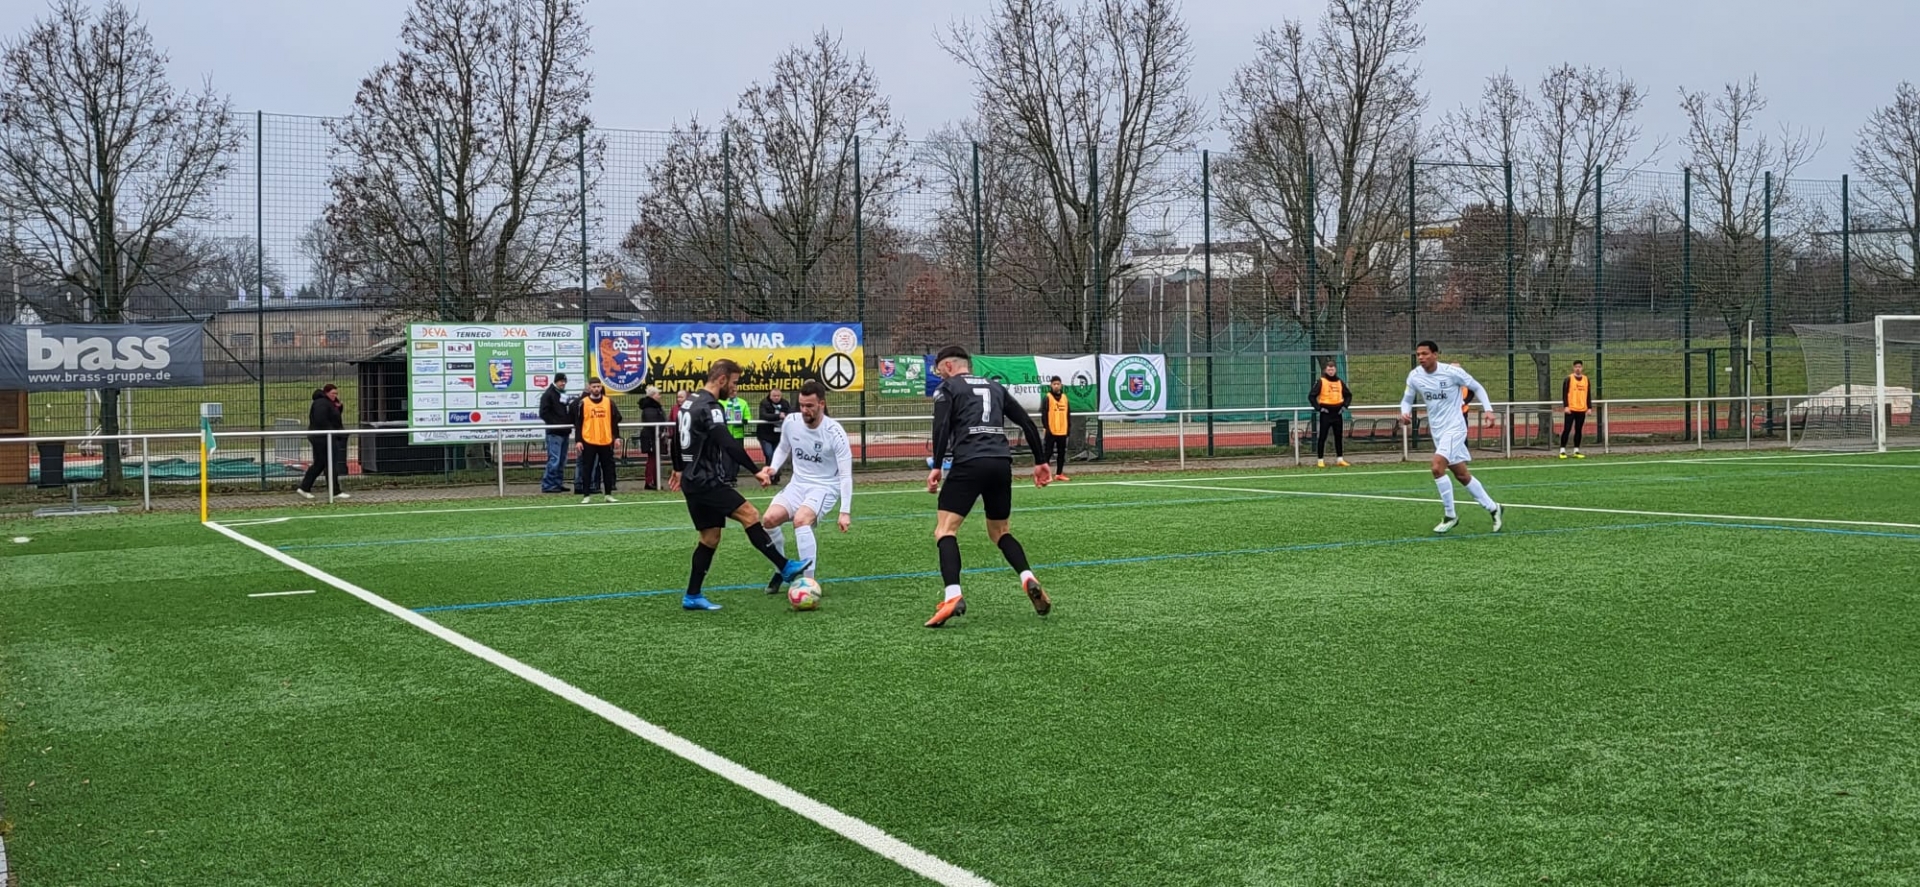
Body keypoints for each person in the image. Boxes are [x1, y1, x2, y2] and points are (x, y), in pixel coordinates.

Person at [923, 345, 1053, 629]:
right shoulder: (995, 387)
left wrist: (937, 465)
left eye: (939, 370)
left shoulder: (948, 388)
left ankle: (952, 595)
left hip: (969, 462)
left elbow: (941, 426)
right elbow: (1027, 423)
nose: (939, 375)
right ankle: (1027, 576)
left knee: (945, 530)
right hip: (1000, 463)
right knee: (1000, 532)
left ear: (948, 366)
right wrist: (1041, 461)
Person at [669, 360, 811, 611]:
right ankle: (785, 566)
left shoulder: (689, 403)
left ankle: (692, 595)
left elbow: (675, 439)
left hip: (692, 480)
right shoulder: (711, 407)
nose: (736, 388)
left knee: (710, 537)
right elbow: (727, 442)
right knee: (750, 514)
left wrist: (679, 468)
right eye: (734, 382)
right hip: (707, 480)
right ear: (722, 380)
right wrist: (755, 470)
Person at [756, 380, 853, 593]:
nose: (804, 410)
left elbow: (846, 474)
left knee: (801, 520)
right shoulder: (791, 422)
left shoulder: (834, 432)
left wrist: (845, 511)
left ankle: (809, 583)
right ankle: (782, 569)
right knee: (769, 520)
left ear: (821, 404)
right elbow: (783, 447)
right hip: (798, 484)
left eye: (809, 406)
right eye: (801, 405)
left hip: (824, 487)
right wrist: (773, 468)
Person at [1399, 341, 1503, 535]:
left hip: (1455, 428)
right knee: (1462, 475)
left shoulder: (1452, 372)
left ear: (1435, 354)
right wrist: (1404, 412)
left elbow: (1478, 387)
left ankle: (1450, 515)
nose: (1421, 357)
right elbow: (1407, 399)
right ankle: (1494, 507)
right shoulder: (1414, 376)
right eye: (1418, 354)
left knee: (1437, 467)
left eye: (1425, 353)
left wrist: (1488, 410)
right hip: (1438, 431)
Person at [570, 377, 622, 504]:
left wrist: (616, 437)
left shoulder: (608, 402)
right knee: (587, 468)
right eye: (594, 387)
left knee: (607, 468)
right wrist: (578, 440)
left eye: (598, 386)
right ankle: (586, 495)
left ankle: (608, 494)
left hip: (605, 440)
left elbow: (614, 421)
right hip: (589, 440)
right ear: (589, 388)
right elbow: (578, 423)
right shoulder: (583, 403)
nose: (596, 389)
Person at [296, 383, 349, 500]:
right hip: (322, 438)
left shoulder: (329, 403)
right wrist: (332, 432)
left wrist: (339, 408)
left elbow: (333, 418)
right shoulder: (321, 403)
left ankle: (305, 487)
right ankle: (333, 491)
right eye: (333, 393)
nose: (335, 395)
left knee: (321, 463)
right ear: (326, 393)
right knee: (328, 463)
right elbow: (321, 420)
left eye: (336, 393)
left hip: (325, 437)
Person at [1308, 360, 1352, 468]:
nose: (1331, 371)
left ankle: (1340, 459)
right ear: (1325, 370)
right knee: (1322, 437)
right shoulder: (1321, 381)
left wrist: (1344, 406)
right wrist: (1319, 408)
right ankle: (1320, 460)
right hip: (1326, 413)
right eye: (1329, 369)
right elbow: (1311, 396)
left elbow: (1348, 395)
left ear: (1335, 370)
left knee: (1338, 436)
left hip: (1337, 413)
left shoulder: (1339, 382)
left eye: (1332, 369)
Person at [538, 373, 572, 493]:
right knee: (554, 459)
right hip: (554, 432)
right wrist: (556, 423)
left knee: (562, 460)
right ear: (556, 381)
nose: (563, 383)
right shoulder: (548, 394)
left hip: (564, 431)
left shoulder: (562, 394)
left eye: (564, 381)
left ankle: (557, 483)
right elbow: (543, 413)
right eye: (561, 381)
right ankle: (548, 485)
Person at [756, 388, 790, 483]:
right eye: (774, 396)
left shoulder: (785, 403)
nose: (776, 398)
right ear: (770, 396)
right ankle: (769, 475)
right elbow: (764, 415)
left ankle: (775, 476)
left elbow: (790, 413)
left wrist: (785, 416)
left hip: (778, 435)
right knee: (769, 454)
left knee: (776, 456)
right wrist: (778, 416)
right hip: (765, 435)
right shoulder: (764, 403)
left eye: (778, 396)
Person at [637, 385, 667, 490]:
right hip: (651, 437)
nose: (660, 396)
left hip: (654, 436)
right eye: (658, 394)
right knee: (652, 460)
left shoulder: (653, 408)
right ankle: (649, 481)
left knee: (654, 459)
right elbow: (652, 423)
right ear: (653, 395)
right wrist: (659, 432)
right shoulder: (650, 409)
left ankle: (654, 480)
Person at [1042, 376, 1072, 482]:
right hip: (1051, 430)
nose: (1056, 386)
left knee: (1061, 453)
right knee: (1048, 453)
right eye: (1054, 384)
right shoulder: (1048, 397)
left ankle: (1059, 474)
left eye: (1058, 384)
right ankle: (1045, 475)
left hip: (1062, 431)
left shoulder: (1065, 398)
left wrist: (1068, 428)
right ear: (1051, 385)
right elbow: (1044, 414)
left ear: (1061, 385)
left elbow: (1068, 414)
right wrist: (1046, 427)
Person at [1560, 360, 1591, 459]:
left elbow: (1588, 394)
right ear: (1573, 368)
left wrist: (1589, 407)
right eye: (1576, 367)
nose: (1578, 368)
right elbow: (1564, 393)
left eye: (1579, 367)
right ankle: (1562, 450)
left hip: (1581, 409)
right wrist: (1566, 406)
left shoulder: (1586, 379)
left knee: (1578, 430)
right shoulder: (1569, 379)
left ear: (1582, 368)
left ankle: (1576, 450)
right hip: (1571, 409)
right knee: (1567, 429)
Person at [722, 389, 752, 486]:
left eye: (734, 391)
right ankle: (727, 478)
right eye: (730, 391)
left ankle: (733, 478)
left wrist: (745, 420)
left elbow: (747, 416)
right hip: (725, 434)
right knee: (726, 457)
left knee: (737, 457)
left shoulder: (743, 402)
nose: (732, 393)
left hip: (738, 434)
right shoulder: (721, 402)